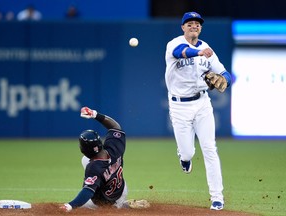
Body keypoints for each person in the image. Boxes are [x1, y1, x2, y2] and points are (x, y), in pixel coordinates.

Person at [164, 11, 232, 211]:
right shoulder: (174, 44)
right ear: (183, 27)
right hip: (179, 106)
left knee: (210, 149)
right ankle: (184, 158)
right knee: (187, 152)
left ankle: (217, 198)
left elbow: (224, 72)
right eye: (190, 23)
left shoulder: (207, 48)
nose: (194, 26)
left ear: (200, 28)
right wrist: (199, 53)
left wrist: (225, 81)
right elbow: (181, 53)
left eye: (197, 24)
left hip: (202, 104)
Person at [60, 106, 150, 212]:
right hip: (122, 190)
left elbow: (88, 191)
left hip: (106, 203)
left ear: (85, 150)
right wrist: (95, 114)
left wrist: (70, 205)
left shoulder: (93, 167)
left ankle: (121, 207)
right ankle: (121, 203)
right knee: (86, 161)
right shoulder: (114, 147)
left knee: (78, 209)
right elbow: (115, 126)